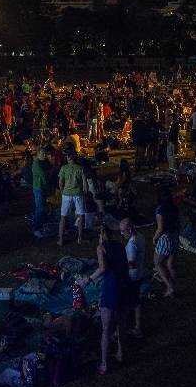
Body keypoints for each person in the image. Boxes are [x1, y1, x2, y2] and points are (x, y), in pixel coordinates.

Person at [79, 225, 129, 374]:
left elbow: (103, 268)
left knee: (106, 329)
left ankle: (104, 364)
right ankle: (121, 353)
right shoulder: (120, 246)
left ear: (100, 236)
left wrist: (88, 279)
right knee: (121, 324)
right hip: (123, 286)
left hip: (111, 288)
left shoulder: (101, 248)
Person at [120, 218, 146, 337]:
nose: (121, 233)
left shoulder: (131, 244)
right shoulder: (140, 236)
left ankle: (134, 327)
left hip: (132, 277)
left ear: (129, 230)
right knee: (135, 301)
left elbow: (131, 264)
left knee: (130, 302)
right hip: (140, 273)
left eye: (122, 231)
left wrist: (120, 265)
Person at [152, 188, 180, 297]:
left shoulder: (160, 210)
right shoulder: (174, 208)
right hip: (175, 236)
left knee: (157, 262)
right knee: (170, 264)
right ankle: (173, 285)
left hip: (166, 238)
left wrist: (154, 238)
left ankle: (169, 287)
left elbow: (160, 228)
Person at [57, 152, 86, 246]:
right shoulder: (80, 168)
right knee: (81, 216)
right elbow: (85, 183)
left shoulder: (64, 168)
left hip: (66, 194)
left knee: (63, 217)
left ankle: (61, 239)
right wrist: (85, 192)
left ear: (68, 158)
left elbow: (60, 182)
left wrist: (62, 191)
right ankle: (80, 238)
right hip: (78, 194)